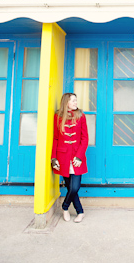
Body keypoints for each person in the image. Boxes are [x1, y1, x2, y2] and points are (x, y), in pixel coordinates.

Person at [51, 93, 89, 223]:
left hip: (77, 157)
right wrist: (53, 158)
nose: (75, 102)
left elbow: (85, 138)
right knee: (70, 187)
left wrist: (79, 156)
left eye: (76, 100)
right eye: (73, 100)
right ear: (66, 102)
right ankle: (80, 212)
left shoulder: (81, 116)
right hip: (63, 157)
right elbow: (55, 138)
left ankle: (64, 207)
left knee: (74, 187)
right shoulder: (58, 116)